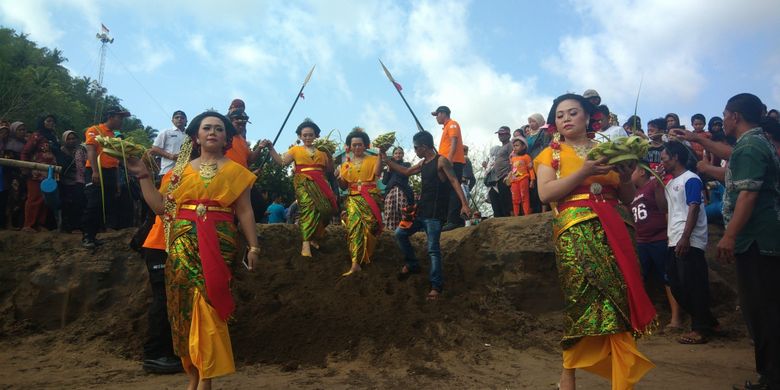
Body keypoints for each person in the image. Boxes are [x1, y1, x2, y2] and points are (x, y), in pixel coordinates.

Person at [125, 111, 260, 389]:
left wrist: (254, 246)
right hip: (182, 241)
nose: (212, 132)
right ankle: (193, 376)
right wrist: (143, 177)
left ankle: (206, 378)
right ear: (196, 136)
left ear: (226, 138)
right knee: (182, 306)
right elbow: (162, 208)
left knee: (209, 305)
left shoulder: (238, 172)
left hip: (220, 241)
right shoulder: (178, 173)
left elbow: (245, 212)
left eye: (219, 129)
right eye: (206, 128)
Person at [535, 93, 655, 390]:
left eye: (573, 112)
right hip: (575, 228)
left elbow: (628, 197)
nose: (566, 118)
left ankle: (622, 380)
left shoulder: (609, 150)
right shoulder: (550, 154)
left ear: (588, 117)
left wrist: (626, 177)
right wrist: (585, 171)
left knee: (620, 297)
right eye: (560, 115)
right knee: (581, 299)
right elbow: (546, 194)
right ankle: (568, 373)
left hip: (615, 225)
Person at [716, 94, 780, 390]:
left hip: (756, 240)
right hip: (759, 238)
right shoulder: (753, 143)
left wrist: (729, 236)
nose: (725, 120)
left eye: (726, 114)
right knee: (765, 307)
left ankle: (771, 378)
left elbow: (748, 194)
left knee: (763, 309)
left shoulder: (751, 146)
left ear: (735, 116)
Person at [382, 130, 471, 300]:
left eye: (416, 148)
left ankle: (436, 286)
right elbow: (406, 171)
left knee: (433, 250)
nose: (414, 151)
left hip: (435, 214)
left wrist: (464, 204)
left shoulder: (441, 161)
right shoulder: (423, 164)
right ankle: (413, 264)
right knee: (400, 234)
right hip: (420, 212)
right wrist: (386, 159)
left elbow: (454, 181)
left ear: (423, 147)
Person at [661, 141, 718, 345]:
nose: (662, 161)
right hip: (674, 238)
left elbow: (693, 207)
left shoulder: (691, 179)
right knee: (676, 284)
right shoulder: (669, 183)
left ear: (676, 157)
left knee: (692, 284)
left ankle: (700, 328)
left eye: (664, 157)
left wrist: (686, 236)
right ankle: (709, 322)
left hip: (689, 240)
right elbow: (663, 207)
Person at [260, 119, 336, 256]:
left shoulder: (323, 152)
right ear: (300, 136)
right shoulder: (295, 150)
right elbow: (282, 162)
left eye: (310, 135)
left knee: (326, 210)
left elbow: (330, 170)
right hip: (303, 182)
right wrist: (271, 148)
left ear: (316, 136)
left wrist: (330, 156)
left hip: (321, 182)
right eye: (304, 135)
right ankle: (305, 243)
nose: (307, 137)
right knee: (308, 209)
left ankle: (313, 237)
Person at [629, 163, 683, 332]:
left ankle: (676, 319)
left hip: (658, 237)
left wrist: (669, 235)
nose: (630, 174)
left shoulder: (653, 184)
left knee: (667, 277)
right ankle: (643, 317)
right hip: (642, 240)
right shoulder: (633, 193)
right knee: (640, 277)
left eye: (633, 170)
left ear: (642, 172)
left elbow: (663, 207)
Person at [81, 107, 129, 248]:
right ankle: (87, 236)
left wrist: (117, 183)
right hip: (96, 171)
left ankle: (94, 236)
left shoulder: (115, 136)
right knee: (94, 203)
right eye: (120, 118)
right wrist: (95, 171)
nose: (122, 121)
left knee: (105, 205)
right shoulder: (95, 130)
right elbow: (91, 150)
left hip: (110, 173)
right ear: (111, 117)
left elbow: (115, 160)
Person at [338, 129, 383, 276]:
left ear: (365, 145)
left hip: (370, 197)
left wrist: (381, 156)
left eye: (360, 144)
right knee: (354, 229)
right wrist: (338, 178)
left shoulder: (373, 159)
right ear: (349, 147)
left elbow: (377, 174)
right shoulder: (345, 164)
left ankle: (366, 255)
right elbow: (343, 186)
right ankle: (355, 263)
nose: (357, 147)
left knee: (371, 227)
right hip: (353, 199)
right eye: (354, 145)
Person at [21, 115, 61, 232]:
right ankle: (28, 225)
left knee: (45, 199)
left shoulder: (54, 137)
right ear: (42, 122)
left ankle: (39, 224)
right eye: (48, 121)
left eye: (53, 121)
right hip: (35, 171)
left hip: (49, 173)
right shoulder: (36, 135)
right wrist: (24, 166)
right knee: (34, 197)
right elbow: (25, 151)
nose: (51, 123)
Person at [431, 106, 466, 230]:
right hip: (447, 162)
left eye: (437, 115)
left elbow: (454, 141)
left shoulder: (452, 124)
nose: (436, 118)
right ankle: (454, 219)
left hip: (453, 162)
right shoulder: (446, 127)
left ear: (443, 113)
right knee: (447, 189)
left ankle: (454, 220)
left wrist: (449, 159)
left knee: (453, 189)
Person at [59, 130, 87, 233]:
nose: (71, 141)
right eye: (69, 139)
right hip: (65, 181)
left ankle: (77, 226)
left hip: (78, 181)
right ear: (64, 140)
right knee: (66, 205)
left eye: (73, 138)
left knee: (78, 204)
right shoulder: (61, 151)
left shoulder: (80, 150)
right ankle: (67, 227)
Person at [381, 146, 414, 230]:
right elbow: (384, 181)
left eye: (400, 153)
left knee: (404, 212)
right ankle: (390, 232)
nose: (398, 155)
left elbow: (403, 174)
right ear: (393, 155)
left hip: (403, 191)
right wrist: (388, 169)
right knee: (389, 213)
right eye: (396, 153)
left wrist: (391, 165)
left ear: (403, 155)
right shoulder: (389, 166)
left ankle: (404, 231)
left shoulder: (406, 165)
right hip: (390, 192)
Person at [484, 126, 513, 217]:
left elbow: (513, 159)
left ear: (508, 135)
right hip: (498, 177)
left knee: (507, 201)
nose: (500, 136)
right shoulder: (500, 148)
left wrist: (511, 173)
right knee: (502, 200)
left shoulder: (510, 145)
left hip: (506, 175)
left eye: (503, 134)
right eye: (499, 134)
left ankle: (510, 217)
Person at [526, 113, 551, 213]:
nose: (531, 124)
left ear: (540, 121)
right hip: (530, 163)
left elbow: (545, 147)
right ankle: (536, 209)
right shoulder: (528, 135)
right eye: (530, 122)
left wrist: (540, 159)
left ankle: (545, 209)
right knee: (533, 185)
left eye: (533, 121)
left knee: (542, 182)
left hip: (540, 160)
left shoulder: (544, 132)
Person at [151, 110, 188, 176]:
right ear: (172, 120)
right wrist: (170, 156)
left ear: (186, 121)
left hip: (186, 172)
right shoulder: (166, 132)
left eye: (182, 118)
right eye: (177, 117)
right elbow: (154, 148)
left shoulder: (189, 135)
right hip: (167, 171)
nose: (179, 119)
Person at [507, 137, 535, 216]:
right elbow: (513, 169)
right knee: (515, 198)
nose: (515, 147)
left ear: (523, 147)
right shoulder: (513, 159)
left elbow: (530, 169)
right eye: (514, 146)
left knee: (524, 196)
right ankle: (516, 215)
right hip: (514, 181)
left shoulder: (526, 157)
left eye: (517, 145)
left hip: (524, 179)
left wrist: (532, 180)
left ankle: (526, 214)